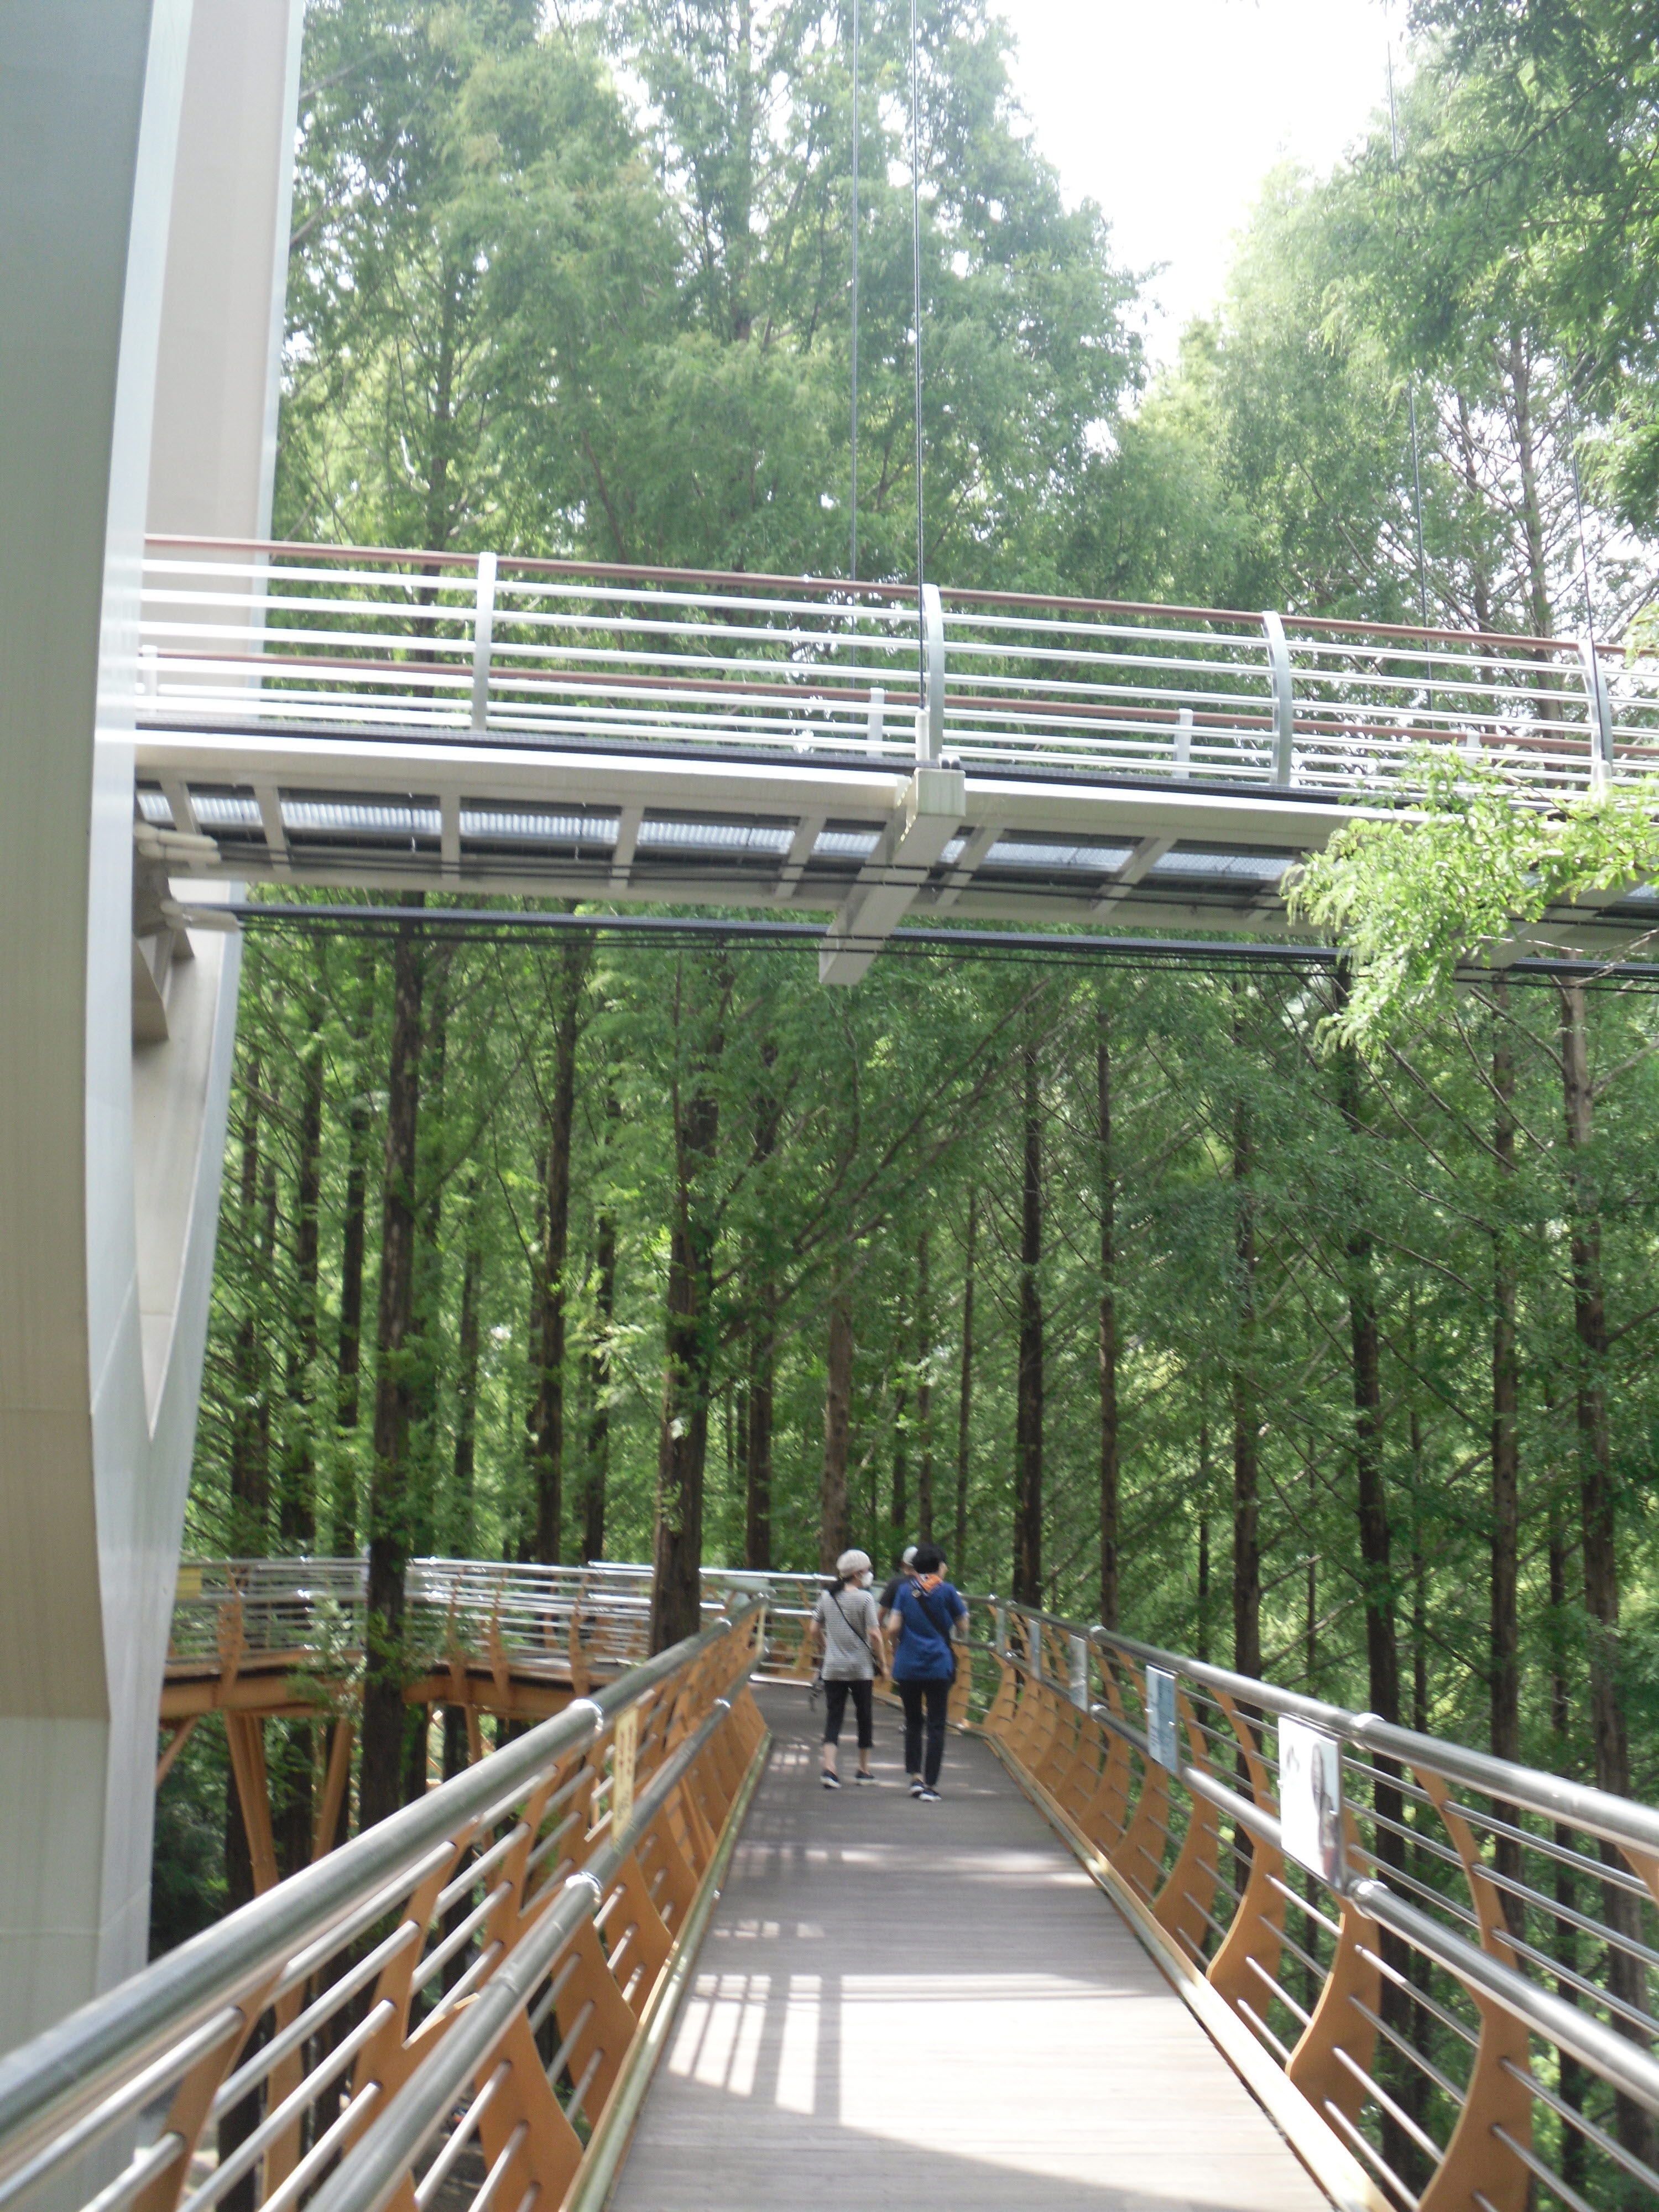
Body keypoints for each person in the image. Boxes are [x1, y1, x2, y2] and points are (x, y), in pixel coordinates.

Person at [886, 1543, 966, 1802]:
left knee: (913, 1722)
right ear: (940, 1566)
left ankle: (915, 1779)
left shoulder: (904, 1590)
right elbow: (963, 1626)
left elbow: (892, 1627)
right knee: (936, 1725)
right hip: (938, 1665)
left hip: (908, 1665)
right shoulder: (948, 1590)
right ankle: (931, 1785)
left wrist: (897, 1647)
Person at [812, 1548, 884, 1788]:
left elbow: (813, 1629)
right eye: (868, 1570)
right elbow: (875, 1634)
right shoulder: (865, 1599)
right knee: (864, 1716)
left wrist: (827, 1647)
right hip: (861, 1669)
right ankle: (864, 1770)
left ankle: (829, 1769)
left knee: (834, 1716)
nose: (870, 1573)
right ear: (857, 1573)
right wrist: (884, 1664)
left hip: (833, 1667)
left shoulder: (827, 1597)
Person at [878, 1544, 918, 1615]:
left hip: (896, 1621)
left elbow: (882, 1612)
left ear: (903, 1563)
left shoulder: (895, 1583)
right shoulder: (925, 1583)